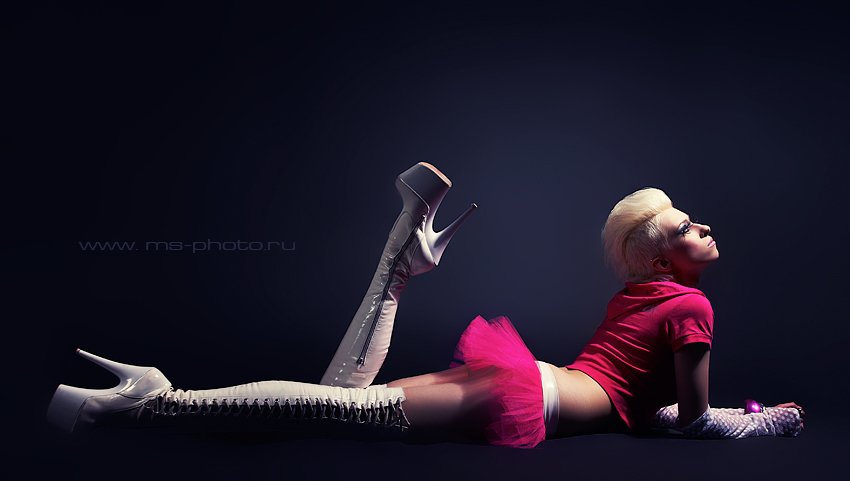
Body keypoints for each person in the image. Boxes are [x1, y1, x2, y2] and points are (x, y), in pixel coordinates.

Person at [46, 162, 805, 448]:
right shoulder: (691, 309)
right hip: (534, 396)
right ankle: (158, 401)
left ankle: (400, 264)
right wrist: (758, 421)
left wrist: (737, 415)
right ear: (667, 261)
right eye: (687, 228)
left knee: (337, 403)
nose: (704, 227)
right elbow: (690, 419)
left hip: (531, 380)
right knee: (350, 410)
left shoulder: (639, 296)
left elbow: (646, 404)